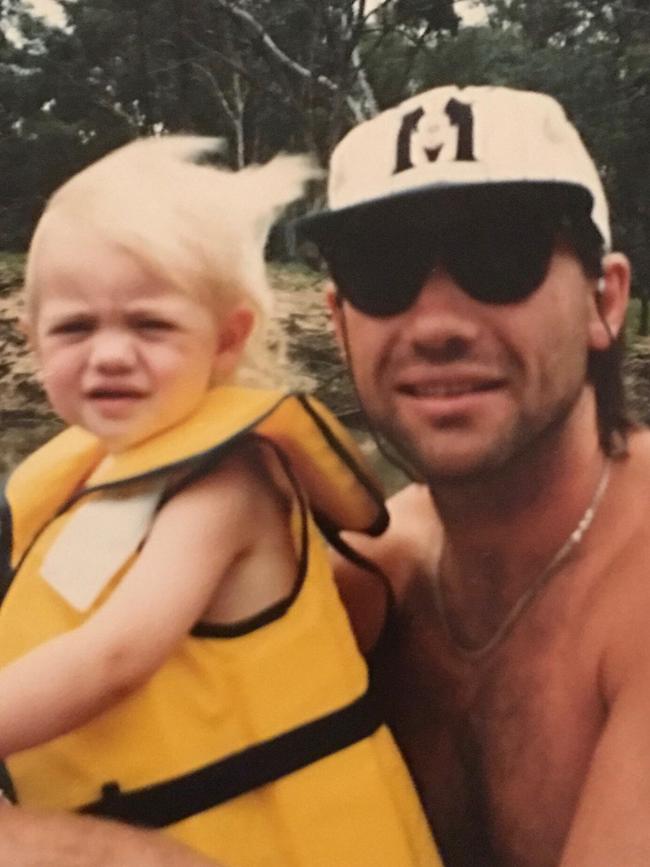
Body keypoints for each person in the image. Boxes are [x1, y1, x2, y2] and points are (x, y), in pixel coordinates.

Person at [0, 136, 440, 866]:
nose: (109, 353)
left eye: (150, 324)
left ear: (226, 340)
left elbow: (116, 655)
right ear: (34, 343)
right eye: (75, 327)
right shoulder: (85, 485)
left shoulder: (227, 484)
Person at [300, 84, 642, 867]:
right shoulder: (369, 575)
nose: (437, 324)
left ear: (605, 300)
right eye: (382, 270)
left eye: (500, 255)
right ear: (338, 319)